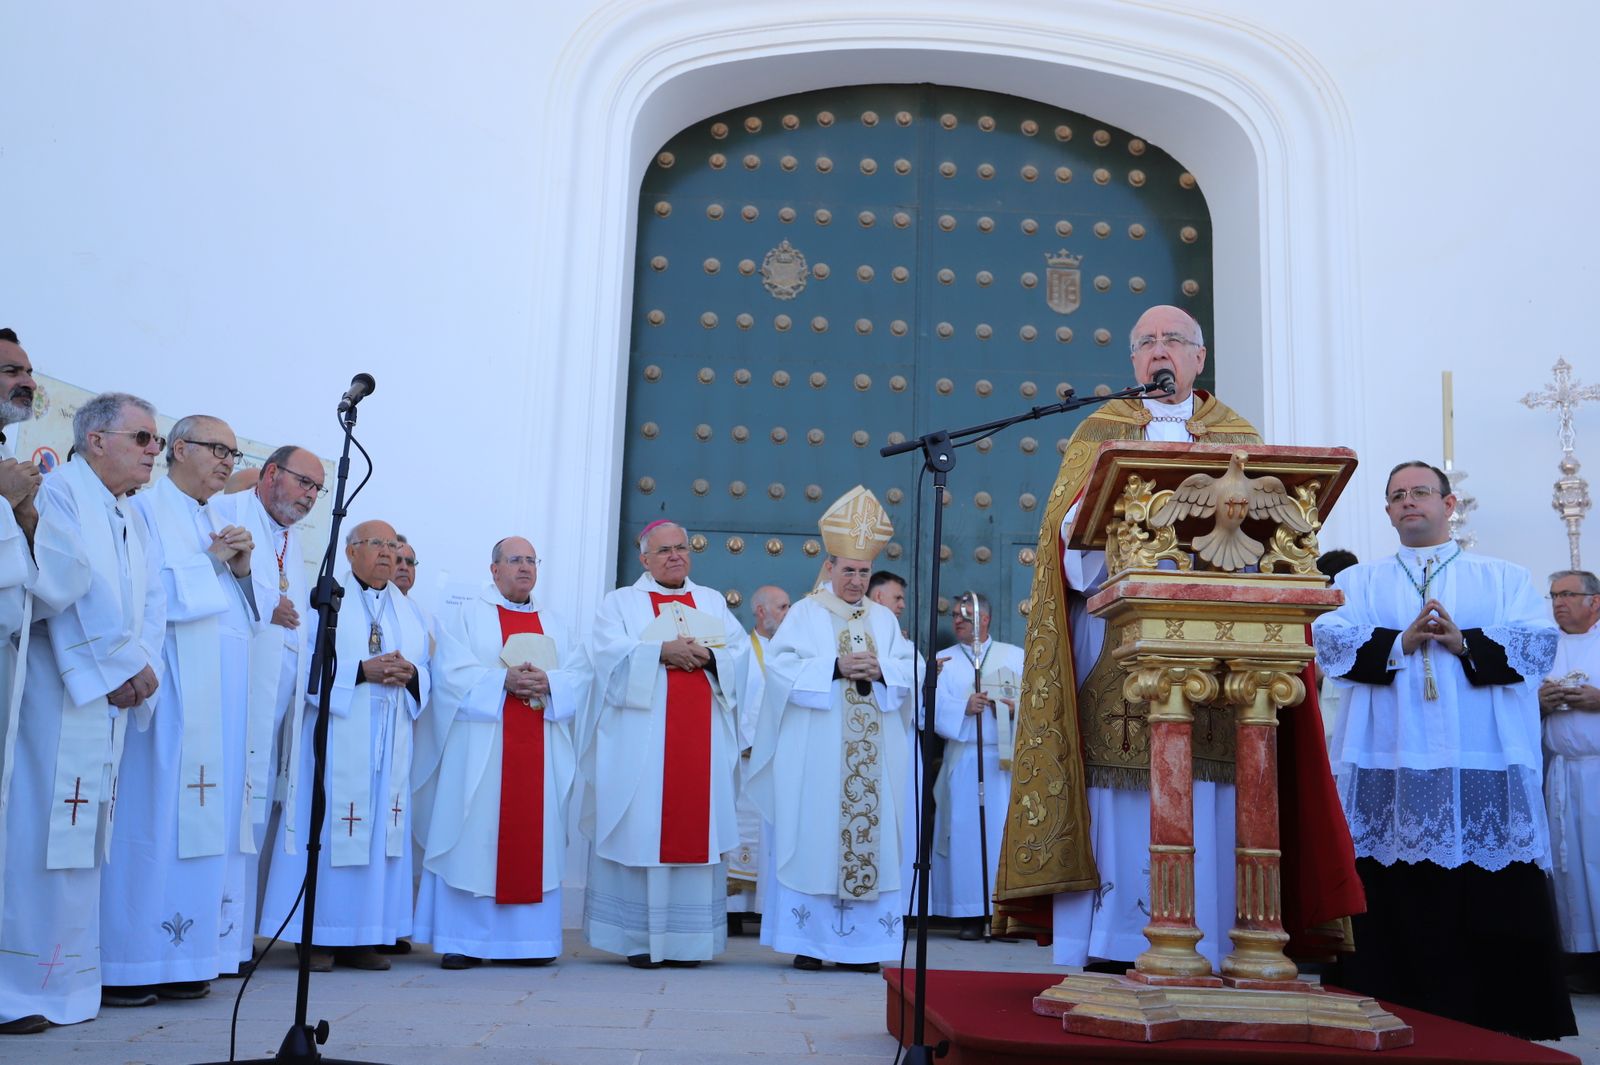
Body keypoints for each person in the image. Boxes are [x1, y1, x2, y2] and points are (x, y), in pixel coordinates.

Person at [994, 303, 1358, 967]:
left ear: (1198, 358)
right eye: (1147, 342)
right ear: (1132, 361)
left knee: (1218, 782)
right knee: (1117, 781)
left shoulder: (1237, 434)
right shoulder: (1098, 432)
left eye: (1174, 340)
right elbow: (1068, 555)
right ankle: (1111, 942)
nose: (1160, 350)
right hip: (1114, 639)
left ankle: (1222, 936)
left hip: (1225, 644)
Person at [1313, 461, 1574, 1039]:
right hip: (1391, 757)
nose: (1410, 503)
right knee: (1391, 881)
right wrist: (1401, 642)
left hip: (1478, 755)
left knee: (1490, 883)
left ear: (1449, 504)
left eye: (1421, 493)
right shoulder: (1359, 583)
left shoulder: (1501, 577)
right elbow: (1329, 643)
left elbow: (1536, 645)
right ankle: (1393, 1012)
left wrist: (1464, 643)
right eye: (1398, 496)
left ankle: (1499, 1020)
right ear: (1387, 512)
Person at [0, 393, 165, 1032]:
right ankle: (17, 987)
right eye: (143, 439)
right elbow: (65, 588)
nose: (155, 451)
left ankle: (67, 985)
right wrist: (118, 668)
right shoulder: (61, 490)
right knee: (38, 832)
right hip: (55, 689)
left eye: (156, 440)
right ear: (96, 440)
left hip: (104, 694)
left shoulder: (135, 511)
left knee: (81, 837)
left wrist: (140, 664)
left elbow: (152, 598)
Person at [101, 420, 259, 1006]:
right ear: (179, 449)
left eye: (233, 453)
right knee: (152, 820)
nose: (226, 461)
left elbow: (249, 614)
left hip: (216, 702)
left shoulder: (216, 518)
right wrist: (214, 563)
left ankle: (187, 955)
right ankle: (129, 962)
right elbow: (137, 587)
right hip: (165, 696)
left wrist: (240, 570)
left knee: (200, 823)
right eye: (217, 450)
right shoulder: (143, 510)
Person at [750, 486, 916, 972]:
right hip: (819, 752)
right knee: (818, 835)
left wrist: (884, 671)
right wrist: (834, 667)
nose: (857, 580)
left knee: (872, 839)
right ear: (830, 567)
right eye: (849, 571)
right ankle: (812, 942)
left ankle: (864, 948)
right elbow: (779, 669)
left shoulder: (884, 620)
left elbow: (912, 667)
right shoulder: (804, 614)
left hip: (873, 753)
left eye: (864, 572)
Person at [258, 520, 432, 972]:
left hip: (388, 738)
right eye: (377, 544)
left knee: (377, 835)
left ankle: (364, 936)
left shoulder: (408, 610)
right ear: (351, 551)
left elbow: (429, 669)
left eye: (394, 546)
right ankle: (313, 938)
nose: (388, 554)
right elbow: (305, 669)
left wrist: (410, 675)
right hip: (336, 737)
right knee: (330, 830)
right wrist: (359, 672)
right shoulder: (326, 601)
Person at [413, 537, 587, 969]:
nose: (525, 568)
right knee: (475, 836)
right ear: (494, 570)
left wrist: (551, 684)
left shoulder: (556, 623)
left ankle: (528, 943)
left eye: (531, 560)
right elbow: (449, 674)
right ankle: (463, 939)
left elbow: (581, 676)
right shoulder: (467, 616)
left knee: (534, 833)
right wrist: (501, 683)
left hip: (538, 744)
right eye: (515, 560)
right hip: (482, 749)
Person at [581, 520, 749, 967]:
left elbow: (740, 654)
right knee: (643, 829)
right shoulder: (620, 603)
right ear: (644, 559)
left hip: (701, 741)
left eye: (682, 548)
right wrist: (659, 652)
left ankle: (687, 942)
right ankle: (638, 940)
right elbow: (604, 657)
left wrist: (711, 657)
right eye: (665, 550)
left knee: (695, 824)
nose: (676, 556)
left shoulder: (711, 600)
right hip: (643, 747)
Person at [204, 444, 323, 962]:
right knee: (225, 806)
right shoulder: (226, 513)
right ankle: (209, 936)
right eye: (304, 483)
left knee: (251, 812)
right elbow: (205, 576)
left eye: (317, 489)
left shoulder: (289, 536)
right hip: (234, 690)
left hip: (273, 701)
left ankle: (232, 938)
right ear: (271, 473)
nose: (311, 496)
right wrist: (262, 600)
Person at [930, 593, 1023, 939]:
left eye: (965, 616)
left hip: (1005, 761)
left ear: (985, 619)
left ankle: (1007, 913)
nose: (958, 621)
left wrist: (1014, 709)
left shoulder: (1015, 656)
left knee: (1002, 835)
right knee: (967, 837)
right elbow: (927, 711)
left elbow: (1037, 701)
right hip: (965, 759)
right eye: (954, 615)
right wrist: (962, 707)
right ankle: (970, 913)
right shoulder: (943, 661)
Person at [1538, 569, 1600, 995]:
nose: (1559, 602)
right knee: (1570, 868)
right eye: (1554, 595)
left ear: (1595, 601)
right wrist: (1539, 702)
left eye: (1568, 594)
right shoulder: (1545, 646)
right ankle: (1581, 957)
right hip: (1560, 772)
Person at [729, 584, 790, 925]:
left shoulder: (790, 652)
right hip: (746, 758)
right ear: (761, 611)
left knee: (772, 832)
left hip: (779, 759)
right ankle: (734, 910)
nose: (788, 614)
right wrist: (750, 740)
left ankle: (767, 906)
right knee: (741, 829)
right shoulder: (740, 650)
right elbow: (732, 701)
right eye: (782, 607)